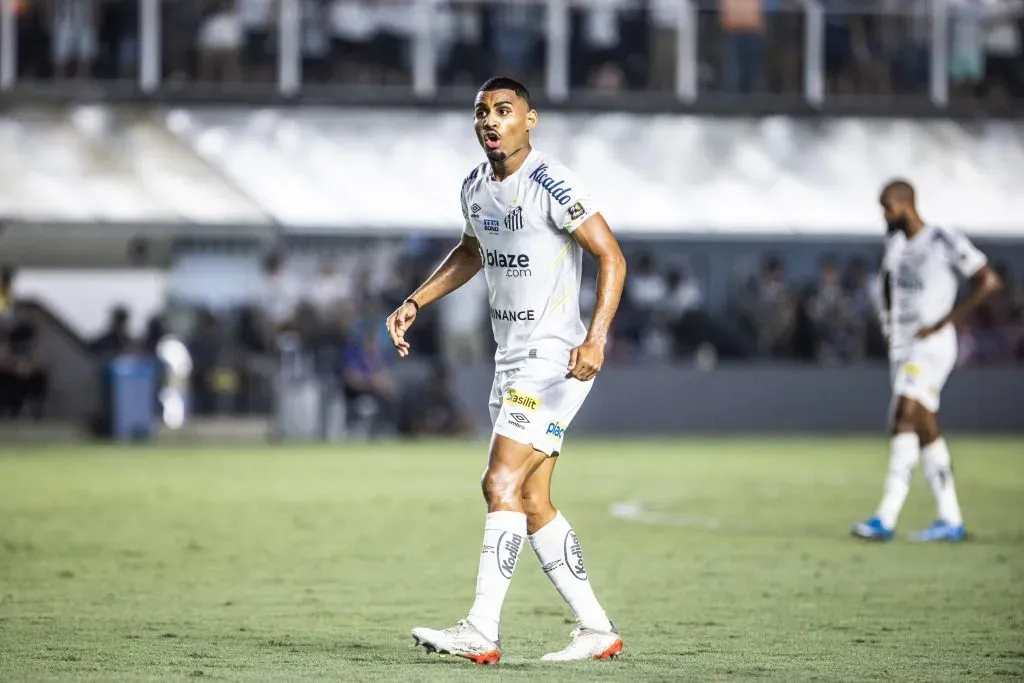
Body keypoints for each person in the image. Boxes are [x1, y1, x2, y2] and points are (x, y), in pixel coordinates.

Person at [385, 76, 628, 664]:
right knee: (533, 499)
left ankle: (481, 630)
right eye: (481, 113)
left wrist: (596, 338)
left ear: (530, 119)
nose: (490, 121)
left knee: (498, 484)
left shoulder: (550, 180)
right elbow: (471, 251)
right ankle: (597, 629)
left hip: (554, 360)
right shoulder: (474, 187)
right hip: (511, 359)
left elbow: (611, 255)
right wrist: (416, 300)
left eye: (503, 110)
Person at [852, 180, 1002, 543]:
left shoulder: (942, 239)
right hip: (902, 347)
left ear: (906, 205)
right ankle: (950, 518)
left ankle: (885, 518)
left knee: (903, 415)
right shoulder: (896, 245)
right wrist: (889, 324)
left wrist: (944, 322)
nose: (884, 216)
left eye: (887, 207)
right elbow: (888, 286)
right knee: (922, 427)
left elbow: (988, 281)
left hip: (931, 345)